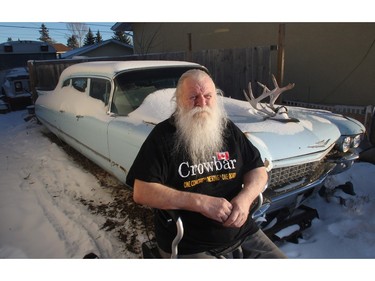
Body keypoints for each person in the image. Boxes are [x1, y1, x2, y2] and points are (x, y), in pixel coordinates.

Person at [126, 69, 286, 258]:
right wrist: (200, 203)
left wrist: (245, 199)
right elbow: (142, 192)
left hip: (242, 230)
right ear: (178, 101)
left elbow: (258, 170)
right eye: (193, 97)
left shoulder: (227, 129)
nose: (202, 103)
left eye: (208, 96)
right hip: (187, 241)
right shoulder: (162, 137)